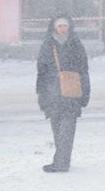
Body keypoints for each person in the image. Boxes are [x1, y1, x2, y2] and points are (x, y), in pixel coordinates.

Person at [36, 16, 90, 173]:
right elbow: (42, 71)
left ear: (69, 27)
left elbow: (83, 70)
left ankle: (61, 163)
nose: (62, 29)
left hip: (71, 94)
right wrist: (41, 94)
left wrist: (85, 92)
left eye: (65, 26)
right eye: (59, 26)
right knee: (58, 129)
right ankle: (62, 159)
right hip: (52, 94)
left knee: (66, 129)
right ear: (54, 27)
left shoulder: (75, 44)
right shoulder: (48, 45)